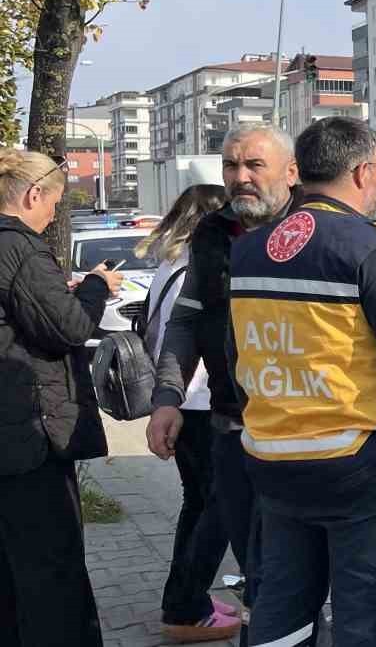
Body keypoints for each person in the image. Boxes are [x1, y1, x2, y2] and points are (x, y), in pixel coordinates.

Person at [232, 117, 376, 647]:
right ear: (363, 171)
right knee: (369, 618)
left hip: (274, 461)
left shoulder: (251, 249)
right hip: (361, 466)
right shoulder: (372, 248)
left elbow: (241, 349)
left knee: (282, 613)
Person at [146, 124, 301, 642]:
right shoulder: (214, 234)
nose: (241, 178)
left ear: (291, 172)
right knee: (258, 570)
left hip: (308, 433)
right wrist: (167, 398)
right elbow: (187, 320)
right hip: (232, 428)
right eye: (231, 166)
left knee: (297, 572)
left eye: (254, 165)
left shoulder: (316, 228)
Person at [0, 149, 124, 647]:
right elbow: (68, 328)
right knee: (51, 568)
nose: (53, 213)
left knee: (11, 573)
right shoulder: (21, 248)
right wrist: (94, 287)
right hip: (28, 437)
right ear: (34, 195)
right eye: (53, 202)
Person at [138, 183, 240, 643]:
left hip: (185, 403)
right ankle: (186, 605)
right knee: (215, 512)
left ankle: (185, 599)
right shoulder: (193, 270)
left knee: (199, 505)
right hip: (198, 404)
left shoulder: (168, 265)